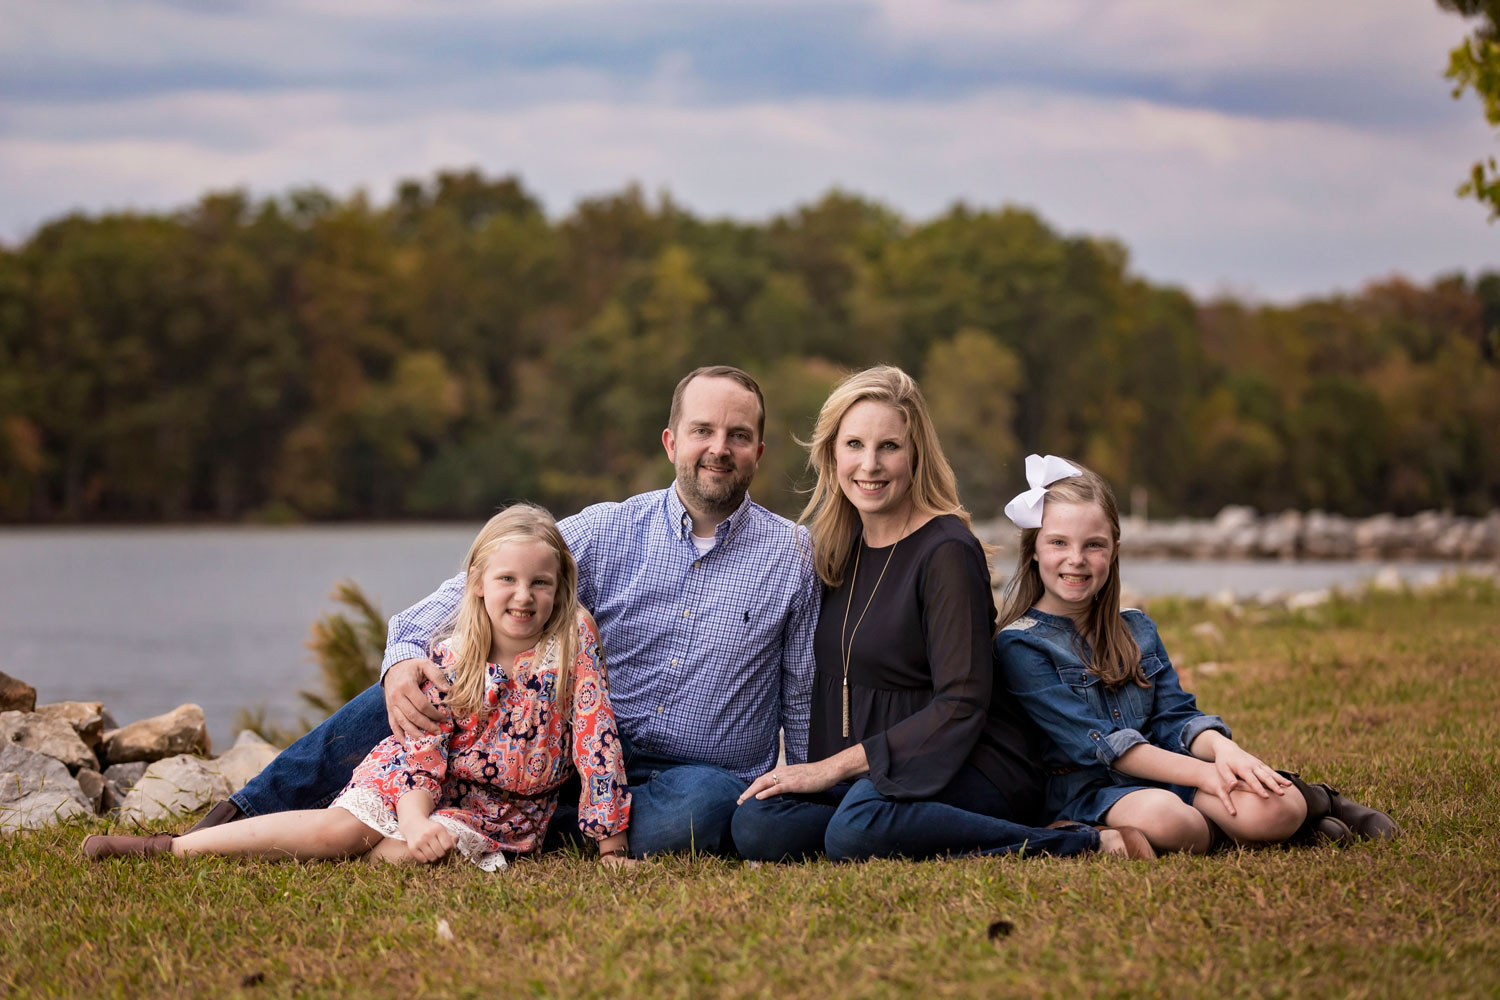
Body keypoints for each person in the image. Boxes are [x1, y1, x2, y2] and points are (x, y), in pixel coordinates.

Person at [191, 366, 819, 857]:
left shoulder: (791, 555)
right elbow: (484, 580)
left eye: (738, 436)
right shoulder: (606, 529)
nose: (719, 448)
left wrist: (814, 782)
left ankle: (494, 822)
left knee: (706, 808)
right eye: (703, 431)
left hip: (690, 777)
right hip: (570, 754)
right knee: (411, 686)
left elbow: (802, 689)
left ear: (758, 451)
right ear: (671, 441)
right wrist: (404, 654)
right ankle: (248, 812)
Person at [731, 367, 1153, 862]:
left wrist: (831, 769)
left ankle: (1080, 842)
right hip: (867, 776)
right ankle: (885, 826)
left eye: (889, 446)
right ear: (832, 454)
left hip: (966, 764)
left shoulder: (947, 550)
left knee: (857, 829)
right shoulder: (835, 550)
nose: (870, 464)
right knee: (757, 824)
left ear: (915, 455)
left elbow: (961, 704)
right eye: (854, 445)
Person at [84, 505, 634, 868]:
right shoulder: (455, 651)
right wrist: (416, 815)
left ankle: (384, 846)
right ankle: (172, 848)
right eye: (507, 580)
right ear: (477, 584)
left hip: (497, 812)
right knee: (337, 832)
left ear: (560, 586)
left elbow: (596, 741)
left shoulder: (571, 640)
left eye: (540, 582)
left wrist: (610, 848)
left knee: (407, 857)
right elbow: (424, 749)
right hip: (417, 780)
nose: (524, 596)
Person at [994, 455, 1400, 854]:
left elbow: (1175, 716)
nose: (1076, 559)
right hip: (1089, 789)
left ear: (1115, 549)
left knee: (1278, 807)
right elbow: (1105, 747)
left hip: (1172, 768)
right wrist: (1207, 774)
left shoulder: (1136, 627)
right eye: (1058, 543)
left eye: (1094, 545)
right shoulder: (1021, 644)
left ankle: (1315, 801)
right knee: (1168, 819)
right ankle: (1279, 833)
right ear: (1033, 549)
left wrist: (1226, 752)